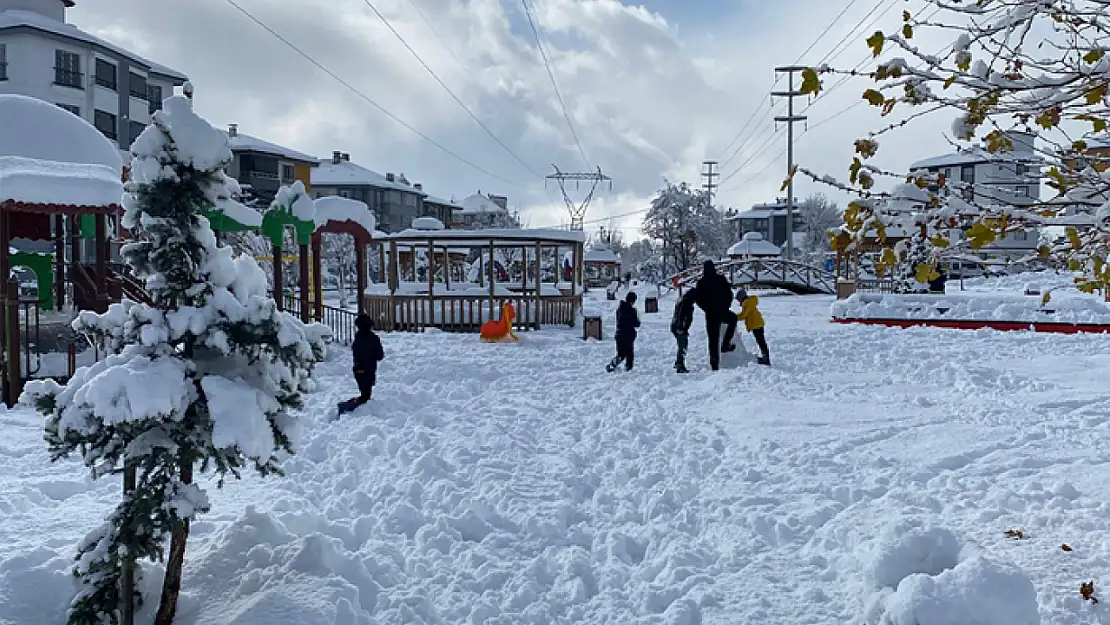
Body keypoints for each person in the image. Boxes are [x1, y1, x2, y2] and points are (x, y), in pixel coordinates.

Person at [693, 260, 737, 371]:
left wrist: (706, 308)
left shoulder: (701, 283)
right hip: (722, 311)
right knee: (733, 319)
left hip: (710, 314)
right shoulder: (721, 279)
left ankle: (714, 364)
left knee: (713, 339)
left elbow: (698, 299)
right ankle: (726, 344)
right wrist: (726, 306)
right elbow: (729, 294)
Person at [338, 314, 385, 414]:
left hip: (358, 370)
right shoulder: (374, 338)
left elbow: (354, 351)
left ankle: (348, 405)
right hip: (369, 371)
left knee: (364, 395)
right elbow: (380, 355)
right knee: (365, 396)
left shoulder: (357, 337)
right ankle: (346, 407)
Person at [606, 291, 641, 372]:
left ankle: (612, 365)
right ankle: (628, 369)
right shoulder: (632, 311)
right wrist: (638, 320)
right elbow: (635, 323)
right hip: (628, 335)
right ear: (633, 301)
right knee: (629, 354)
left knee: (621, 354)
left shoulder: (620, 309)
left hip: (619, 334)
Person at [735, 288, 770, 366]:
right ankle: (765, 357)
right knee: (761, 341)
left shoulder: (747, 303)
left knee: (761, 342)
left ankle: (766, 359)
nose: (739, 302)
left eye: (738, 300)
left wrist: (734, 317)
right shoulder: (749, 302)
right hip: (758, 323)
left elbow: (744, 315)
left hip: (756, 324)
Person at [670, 287, 697, 373]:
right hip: (679, 327)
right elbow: (681, 316)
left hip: (676, 326)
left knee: (682, 345)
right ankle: (680, 364)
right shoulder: (686, 304)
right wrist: (681, 328)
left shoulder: (682, 301)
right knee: (683, 345)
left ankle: (678, 362)